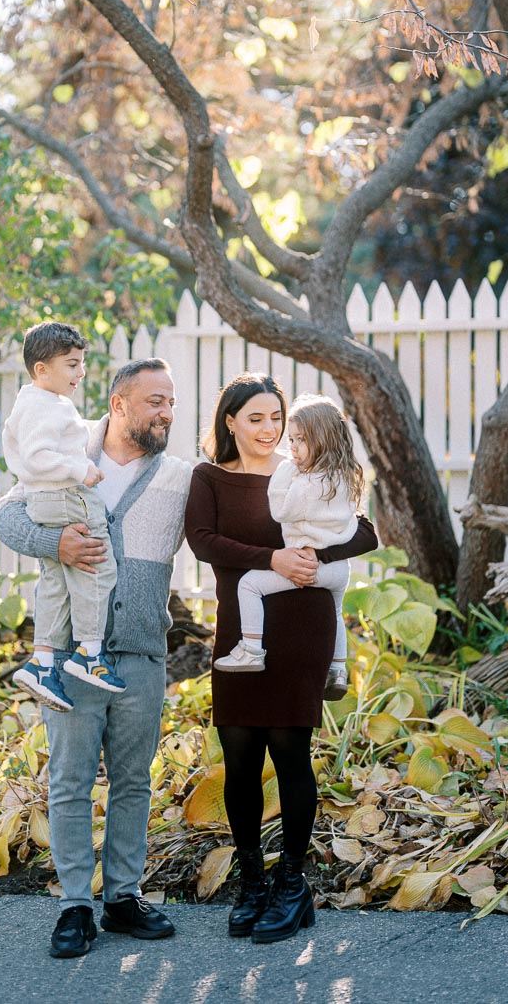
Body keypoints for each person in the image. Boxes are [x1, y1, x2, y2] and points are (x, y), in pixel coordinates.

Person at [0, 359, 193, 959]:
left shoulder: (181, 477)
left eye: (171, 402)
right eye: (155, 401)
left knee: (133, 782)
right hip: (74, 659)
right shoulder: (65, 453)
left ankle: (123, 898)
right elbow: (6, 516)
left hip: (141, 653)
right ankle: (76, 904)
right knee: (71, 781)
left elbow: (226, 526)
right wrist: (54, 541)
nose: (166, 413)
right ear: (119, 403)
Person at [184, 373, 377, 944]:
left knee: (291, 751)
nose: (270, 430)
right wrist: (273, 556)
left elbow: (365, 533)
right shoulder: (210, 478)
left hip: (302, 627)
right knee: (239, 756)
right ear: (230, 422)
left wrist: (312, 557)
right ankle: (251, 883)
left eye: (277, 418)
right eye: (256, 419)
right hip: (242, 629)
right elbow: (203, 541)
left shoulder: (314, 468)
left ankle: (293, 885)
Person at [2, 320, 125, 709]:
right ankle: (89, 652)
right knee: (97, 567)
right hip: (65, 495)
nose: (81, 372)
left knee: (55, 577)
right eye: (72, 364)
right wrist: (80, 470)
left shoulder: (30, 402)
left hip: (44, 499)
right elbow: (39, 457)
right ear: (43, 369)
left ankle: (41, 660)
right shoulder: (48, 406)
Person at [214, 393, 363, 702]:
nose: (291, 447)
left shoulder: (306, 482)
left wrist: (284, 473)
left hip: (309, 565)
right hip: (338, 569)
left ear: (321, 441)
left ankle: (251, 649)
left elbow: (282, 511)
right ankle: (337, 669)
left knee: (250, 584)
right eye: (292, 439)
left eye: (299, 440)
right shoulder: (346, 476)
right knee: (335, 612)